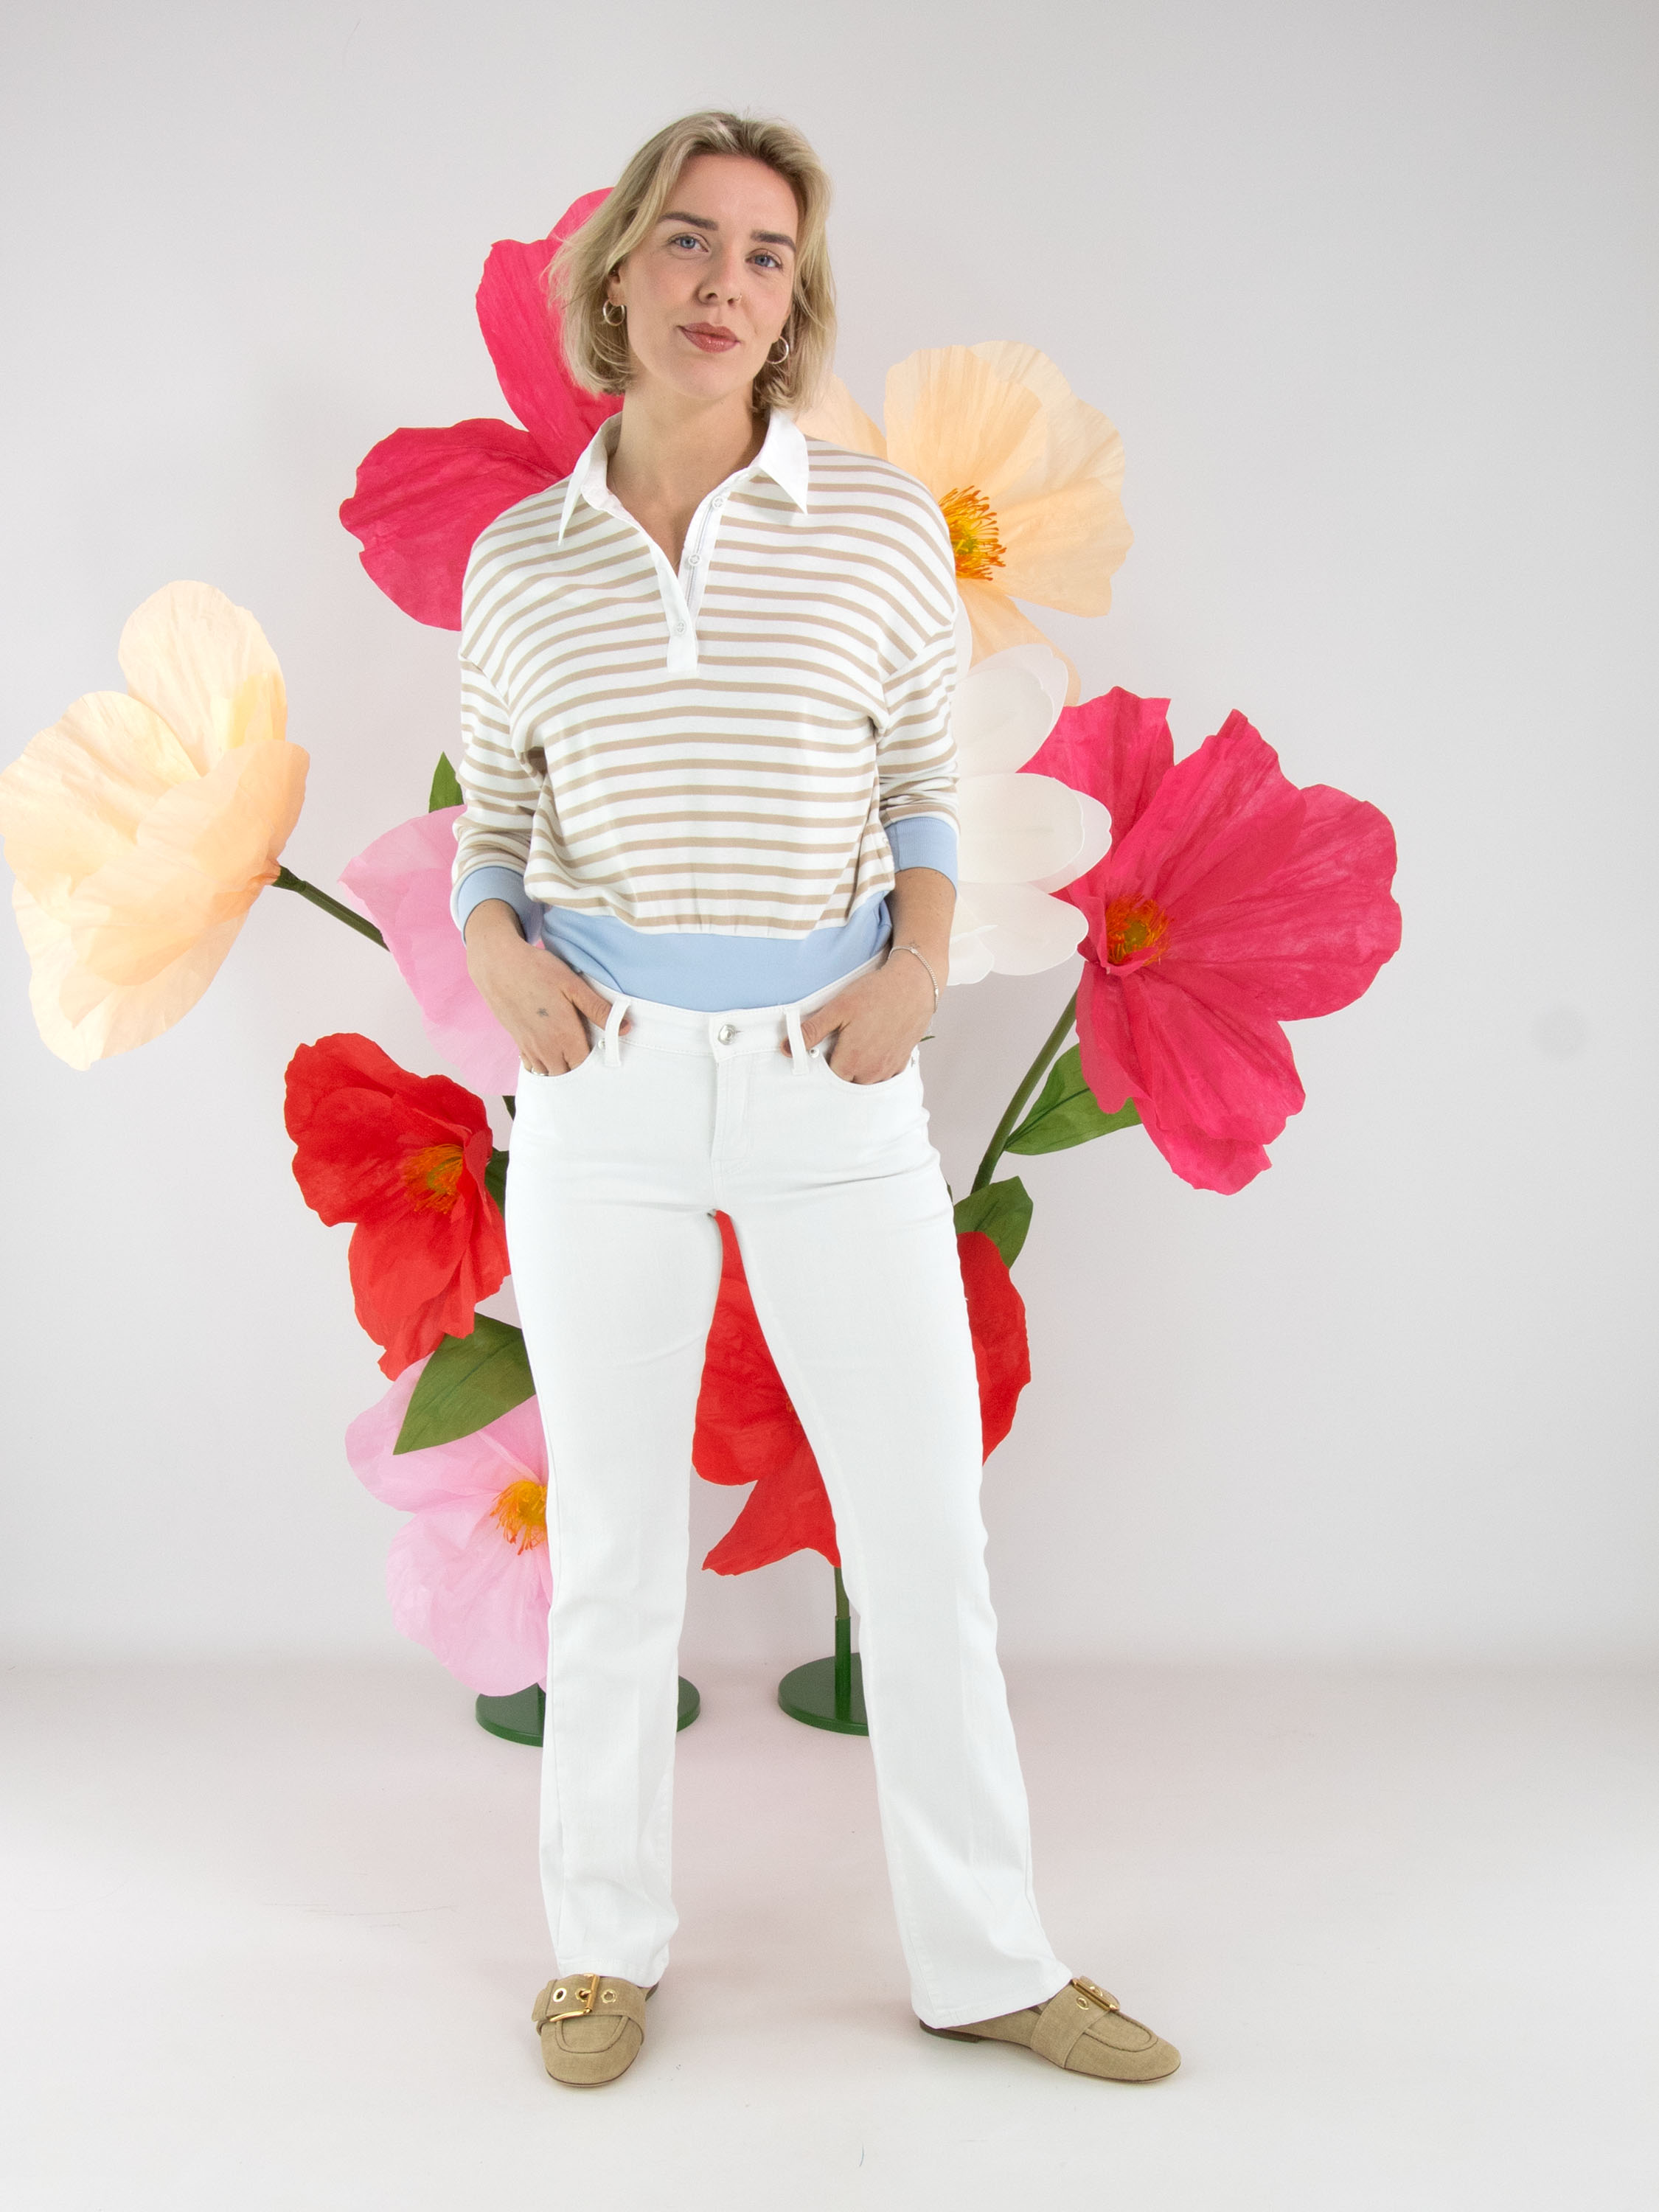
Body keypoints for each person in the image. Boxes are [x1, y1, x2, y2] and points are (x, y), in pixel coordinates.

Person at [451, 108, 1180, 2090]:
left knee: (921, 1539)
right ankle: (600, 1952)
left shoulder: (871, 526)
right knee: (613, 1548)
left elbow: (926, 791)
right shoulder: (520, 558)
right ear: (619, 271)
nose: (724, 283)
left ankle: (989, 1962)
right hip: (600, 1098)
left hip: (827, 1090)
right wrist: (499, 951)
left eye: (765, 255)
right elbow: (494, 823)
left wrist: (915, 978)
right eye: (689, 241)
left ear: (796, 302)